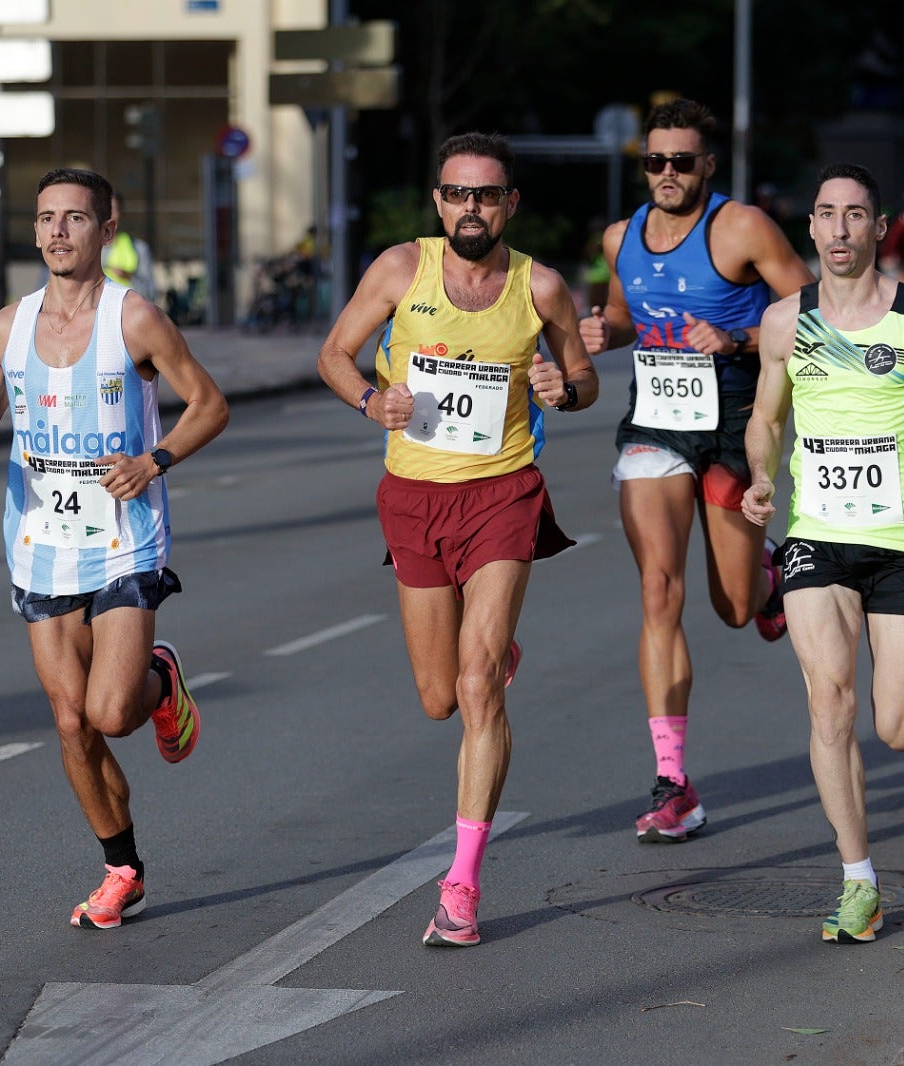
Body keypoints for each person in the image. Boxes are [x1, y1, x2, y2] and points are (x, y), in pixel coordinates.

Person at [316, 132, 598, 948]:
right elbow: (334, 354)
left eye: (486, 194)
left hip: (504, 493)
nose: (470, 207)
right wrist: (372, 403)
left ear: (511, 203)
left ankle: (463, 885)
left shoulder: (540, 287)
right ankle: (490, 649)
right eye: (456, 194)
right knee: (439, 695)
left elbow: (580, 379)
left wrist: (563, 386)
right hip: (413, 499)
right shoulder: (402, 271)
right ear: (437, 202)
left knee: (477, 688)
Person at [0, 167, 229, 931]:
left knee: (110, 712)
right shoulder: (8, 327)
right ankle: (122, 868)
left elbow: (210, 405)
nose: (56, 233)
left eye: (75, 219)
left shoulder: (133, 319)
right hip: (39, 540)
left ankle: (157, 676)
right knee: (69, 721)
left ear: (108, 229)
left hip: (122, 539)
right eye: (46, 218)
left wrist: (156, 460)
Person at [741, 162, 904, 943]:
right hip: (818, 534)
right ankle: (858, 882)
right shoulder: (785, 322)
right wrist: (758, 473)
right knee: (829, 701)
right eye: (826, 214)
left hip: (900, 540)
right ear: (812, 228)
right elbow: (766, 417)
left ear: (879, 228)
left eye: (856, 215)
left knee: (898, 727)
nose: (840, 229)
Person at [579, 98, 815, 844]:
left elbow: (814, 307)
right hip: (655, 422)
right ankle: (673, 782)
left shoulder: (740, 227)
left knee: (736, 607)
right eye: (656, 161)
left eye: (683, 161)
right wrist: (600, 332)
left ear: (707, 166)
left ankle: (770, 575)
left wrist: (741, 337)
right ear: (642, 164)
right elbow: (621, 317)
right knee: (658, 588)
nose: (668, 174)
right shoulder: (622, 237)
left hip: (734, 428)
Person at [101, 190, 157, 302]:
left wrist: (129, 277)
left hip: (129, 314)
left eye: (113, 210)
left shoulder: (139, 248)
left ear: (122, 213)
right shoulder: (86, 249)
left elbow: (150, 293)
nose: (109, 216)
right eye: (104, 211)